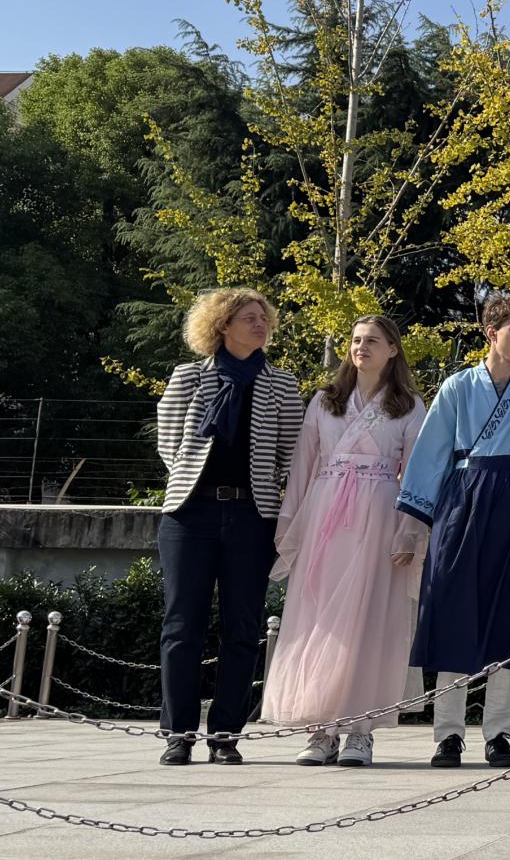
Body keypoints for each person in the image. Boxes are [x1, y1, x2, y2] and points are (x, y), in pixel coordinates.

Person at [400, 293, 510, 770]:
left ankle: (499, 733)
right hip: (463, 498)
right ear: (492, 332)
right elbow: (431, 452)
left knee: (508, 617)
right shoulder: (457, 386)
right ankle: (447, 734)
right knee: (452, 610)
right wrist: (414, 523)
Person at [266, 315, 427, 768]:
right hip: (326, 516)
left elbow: (417, 474)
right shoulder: (326, 400)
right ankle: (320, 728)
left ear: (392, 349)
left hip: (380, 513)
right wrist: (292, 524)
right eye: (356, 340)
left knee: (370, 616)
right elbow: (303, 465)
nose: (361, 347)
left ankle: (360, 730)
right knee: (320, 617)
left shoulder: (409, 405)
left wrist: (410, 531)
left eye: (372, 340)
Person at [153, 288, 304, 766]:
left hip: (252, 516)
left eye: (264, 317)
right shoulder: (188, 376)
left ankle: (225, 734)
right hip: (189, 513)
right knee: (182, 625)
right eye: (249, 317)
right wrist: (190, 477)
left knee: (242, 627)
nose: (260, 324)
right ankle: (178, 733)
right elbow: (168, 442)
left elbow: (290, 453)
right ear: (222, 325)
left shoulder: (282, 384)